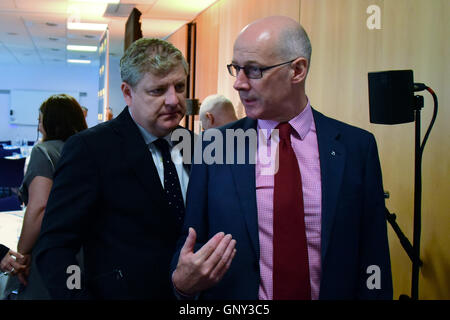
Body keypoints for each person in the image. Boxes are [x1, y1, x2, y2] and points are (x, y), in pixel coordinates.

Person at [171, 16, 393, 300]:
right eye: (236, 69)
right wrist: (181, 285)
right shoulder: (214, 147)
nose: (238, 84)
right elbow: (190, 244)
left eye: (253, 71)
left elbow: (373, 255)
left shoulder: (356, 148)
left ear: (297, 70)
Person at [34, 38, 194, 299]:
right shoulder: (90, 149)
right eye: (158, 90)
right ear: (127, 93)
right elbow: (55, 247)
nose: (173, 100)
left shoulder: (194, 146)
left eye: (180, 86)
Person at [13, 94, 87, 298]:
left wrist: (22, 252)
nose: (38, 127)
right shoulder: (89, 149)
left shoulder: (43, 152)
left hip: (52, 251)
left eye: (40, 121)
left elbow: (39, 207)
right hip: (87, 251)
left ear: (51, 121)